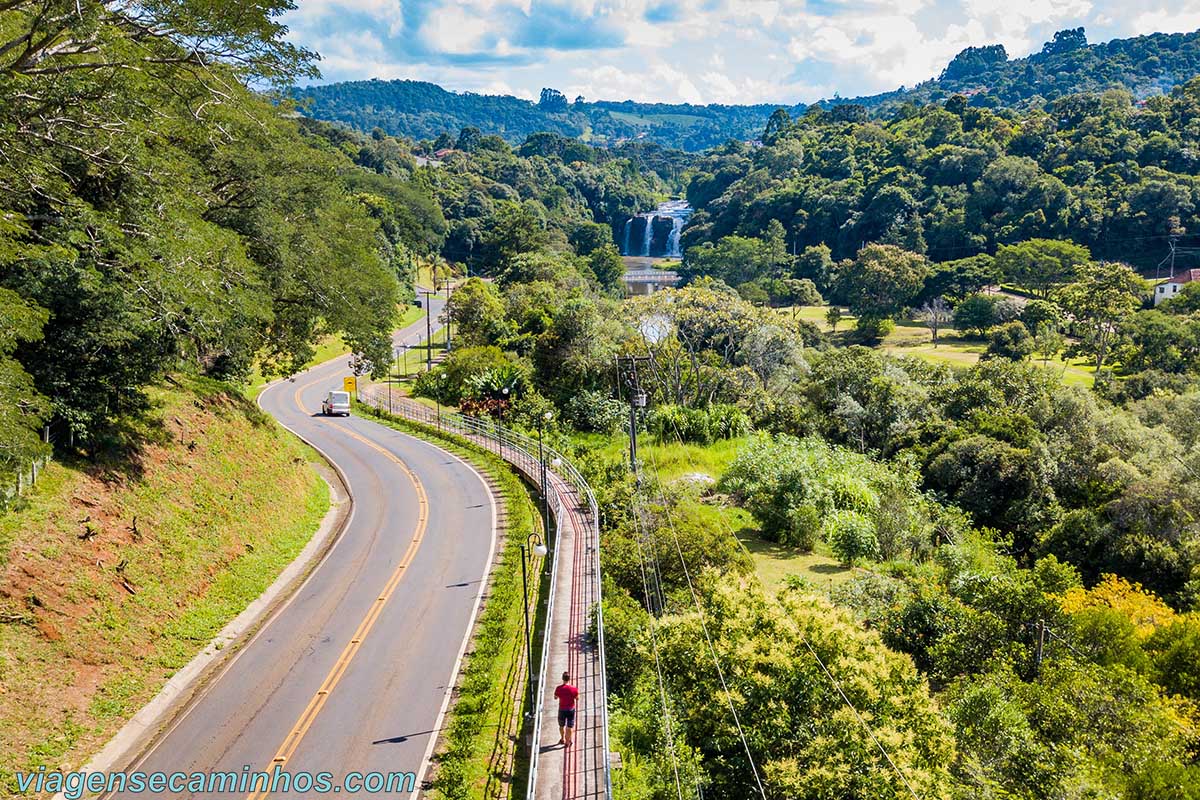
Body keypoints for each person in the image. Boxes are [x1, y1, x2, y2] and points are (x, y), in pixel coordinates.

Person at [554, 671, 579, 747]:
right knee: (569, 726)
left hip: (562, 709)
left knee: (561, 725)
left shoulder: (558, 688)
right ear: (569, 679)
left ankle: (562, 739)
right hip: (571, 709)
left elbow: (555, 697)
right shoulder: (574, 689)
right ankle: (568, 742)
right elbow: (577, 698)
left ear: (562, 679)